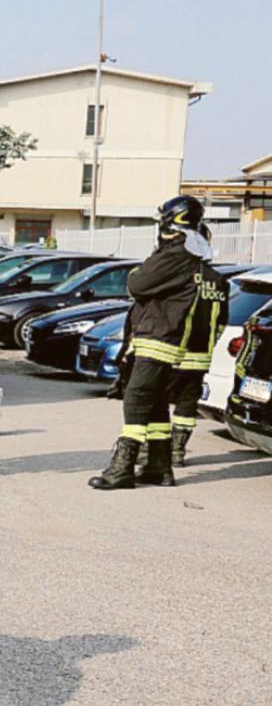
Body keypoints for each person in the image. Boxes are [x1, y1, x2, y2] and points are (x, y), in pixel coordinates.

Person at [89, 196, 214, 490]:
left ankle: (121, 468)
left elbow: (137, 284)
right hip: (162, 340)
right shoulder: (187, 253)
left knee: (136, 400)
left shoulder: (176, 253)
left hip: (157, 340)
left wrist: (139, 272)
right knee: (156, 404)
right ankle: (159, 467)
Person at [168, 219, 229, 468]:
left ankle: (153, 452)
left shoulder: (180, 277)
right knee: (187, 406)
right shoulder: (219, 281)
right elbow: (222, 321)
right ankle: (177, 451)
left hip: (173, 353)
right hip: (201, 356)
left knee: (156, 401)